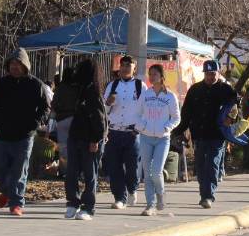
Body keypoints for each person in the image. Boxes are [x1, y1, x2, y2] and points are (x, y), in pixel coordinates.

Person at [0, 49, 49, 216]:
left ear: (25, 65)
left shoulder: (36, 85)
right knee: (0, 168)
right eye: (12, 64)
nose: (15, 67)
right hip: (3, 135)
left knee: (19, 170)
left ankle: (16, 202)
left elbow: (45, 108)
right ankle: (6, 191)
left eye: (18, 64)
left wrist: (35, 123)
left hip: (25, 136)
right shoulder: (1, 84)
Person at [178, 59, 238, 208]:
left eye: (213, 73)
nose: (211, 76)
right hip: (199, 134)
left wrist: (231, 119)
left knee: (212, 164)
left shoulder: (226, 90)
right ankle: (203, 192)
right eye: (208, 74)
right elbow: (186, 113)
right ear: (204, 74)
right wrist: (179, 130)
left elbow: (236, 108)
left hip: (217, 135)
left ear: (218, 73)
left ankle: (208, 196)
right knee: (200, 165)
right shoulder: (195, 90)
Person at [63, 59, 106, 221]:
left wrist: (95, 139)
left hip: (90, 140)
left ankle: (88, 207)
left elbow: (99, 120)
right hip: (75, 137)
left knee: (90, 174)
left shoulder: (92, 93)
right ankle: (73, 202)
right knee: (72, 172)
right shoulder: (79, 90)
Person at [136, 63, 180, 215]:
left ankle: (161, 194)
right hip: (146, 137)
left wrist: (166, 128)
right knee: (147, 172)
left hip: (162, 138)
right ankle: (150, 204)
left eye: (155, 74)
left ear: (161, 77)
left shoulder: (170, 96)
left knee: (156, 171)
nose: (151, 76)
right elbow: (137, 113)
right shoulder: (146, 94)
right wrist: (142, 127)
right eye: (150, 74)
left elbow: (176, 117)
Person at [103, 55, 144, 209]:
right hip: (114, 131)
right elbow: (104, 110)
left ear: (134, 68)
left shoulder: (140, 86)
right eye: (123, 65)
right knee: (114, 167)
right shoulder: (112, 86)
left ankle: (132, 189)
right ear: (119, 68)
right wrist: (108, 103)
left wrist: (137, 128)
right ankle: (119, 197)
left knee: (132, 167)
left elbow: (145, 111)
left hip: (131, 133)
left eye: (129, 65)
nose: (126, 68)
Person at [50, 64, 80, 166]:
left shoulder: (60, 88)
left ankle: (64, 170)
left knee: (63, 147)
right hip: (75, 119)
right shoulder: (78, 88)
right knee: (75, 146)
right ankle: (75, 169)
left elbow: (53, 104)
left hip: (62, 119)